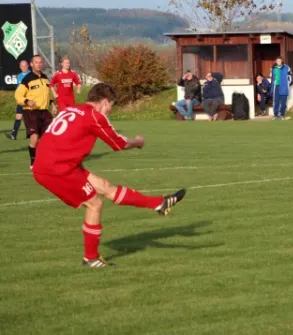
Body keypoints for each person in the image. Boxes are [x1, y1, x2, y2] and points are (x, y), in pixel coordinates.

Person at [32, 83, 186, 268]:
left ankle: (158, 203)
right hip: (56, 169)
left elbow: (60, 137)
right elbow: (118, 143)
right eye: (111, 106)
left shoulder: (73, 109)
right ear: (105, 102)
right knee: (94, 203)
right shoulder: (94, 116)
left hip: (52, 162)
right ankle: (91, 258)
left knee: (105, 187)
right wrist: (138, 142)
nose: (110, 111)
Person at [14, 55, 58, 169]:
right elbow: (18, 95)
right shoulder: (27, 79)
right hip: (31, 112)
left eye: (40, 62)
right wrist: (26, 101)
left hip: (44, 111)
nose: (39, 64)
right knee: (35, 136)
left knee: (49, 136)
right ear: (32, 64)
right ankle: (33, 162)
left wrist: (53, 105)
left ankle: (46, 159)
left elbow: (47, 95)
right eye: (36, 62)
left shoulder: (45, 78)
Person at [5, 60, 30, 140]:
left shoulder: (31, 75)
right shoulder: (19, 76)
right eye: (22, 66)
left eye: (25, 66)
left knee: (28, 118)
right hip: (21, 101)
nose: (23, 67)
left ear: (28, 65)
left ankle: (29, 134)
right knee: (18, 117)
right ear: (20, 67)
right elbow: (18, 89)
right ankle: (13, 135)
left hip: (29, 100)